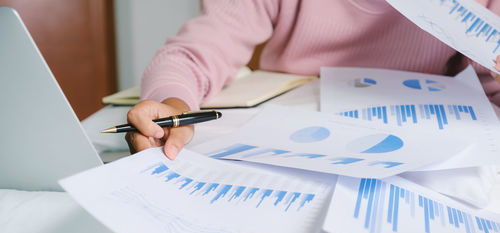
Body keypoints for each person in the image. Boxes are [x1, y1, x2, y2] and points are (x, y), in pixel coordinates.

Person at [125, 0, 500, 160]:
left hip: (420, 144)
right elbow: (196, 50)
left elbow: (491, 96)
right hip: (285, 139)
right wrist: (174, 104)